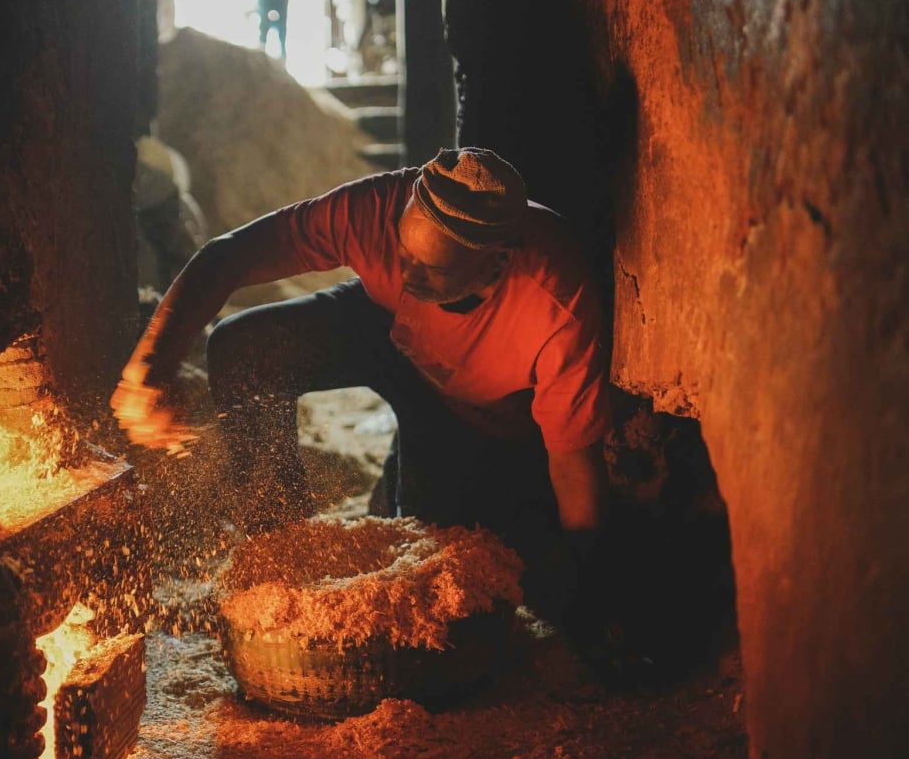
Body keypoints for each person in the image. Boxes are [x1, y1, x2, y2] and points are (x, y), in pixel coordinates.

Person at [111, 147, 612, 625]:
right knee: (246, 346)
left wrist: (584, 577)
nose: (406, 270)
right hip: (388, 327)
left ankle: (416, 479)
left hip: (470, 412)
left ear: (496, 263)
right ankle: (280, 552)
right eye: (403, 251)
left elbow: (572, 460)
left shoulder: (558, 304)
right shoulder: (379, 207)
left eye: (432, 268)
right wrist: (151, 367)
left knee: (437, 567)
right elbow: (229, 256)